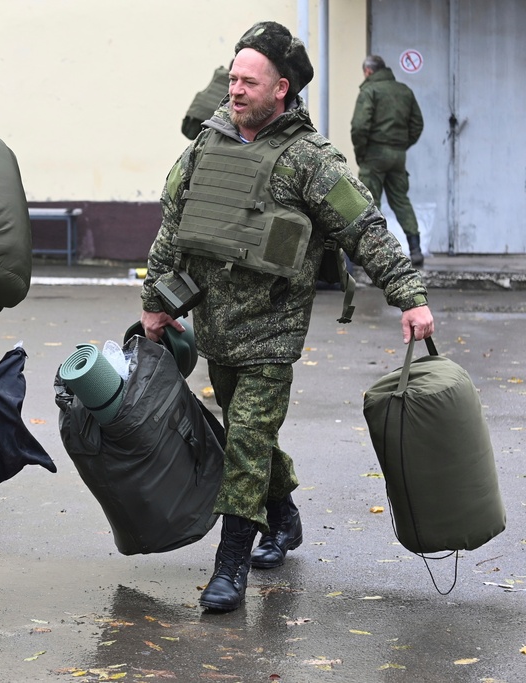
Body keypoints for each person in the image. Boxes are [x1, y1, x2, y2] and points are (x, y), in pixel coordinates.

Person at [139, 21, 434, 613]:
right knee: (249, 434)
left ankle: (230, 566)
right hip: (215, 323)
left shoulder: (310, 159)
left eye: (249, 81)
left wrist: (410, 295)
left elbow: (363, 227)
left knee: (247, 436)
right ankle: (283, 513)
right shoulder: (207, 143)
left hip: (274, 328)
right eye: (233, 79)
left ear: (281, 89)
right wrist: (155, 302)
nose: (236, 90)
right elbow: (174, 222)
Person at [350, 55, 425, 266]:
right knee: (401, 200)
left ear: (368, 71)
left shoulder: (369, 91)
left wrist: (361, 152)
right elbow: (417, 124)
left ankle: (373, 252)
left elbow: (359, 126)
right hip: (398, 155)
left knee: (368, 203)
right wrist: (401, 145)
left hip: (374, 154)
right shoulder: (404, 91)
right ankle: (415, 249)